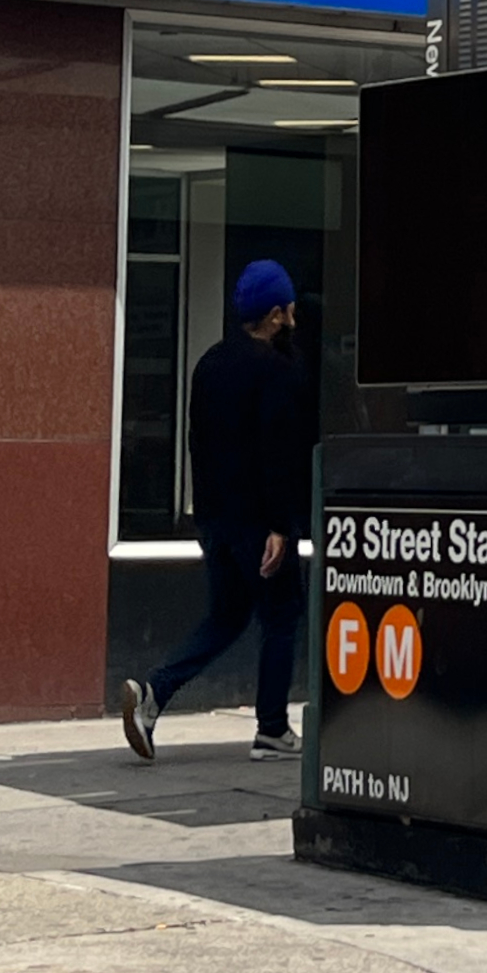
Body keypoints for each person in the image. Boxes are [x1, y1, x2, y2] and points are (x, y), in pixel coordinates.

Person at [121, 259, 318, 762]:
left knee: (227, 616)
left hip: (215, 519)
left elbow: (197, 443)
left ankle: (154, 694)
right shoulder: (278, 370)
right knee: (282, 615)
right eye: (289, 309)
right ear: (276, 314)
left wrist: (204, 515)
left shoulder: (209, 363)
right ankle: (273, 729)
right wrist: (280, 525)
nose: (293, 318)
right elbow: (278, 453)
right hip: (259, 523)